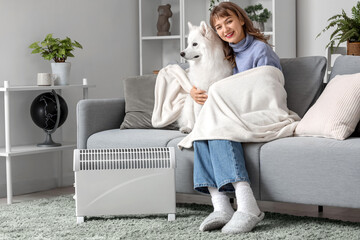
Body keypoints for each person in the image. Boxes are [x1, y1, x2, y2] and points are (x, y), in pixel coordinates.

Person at [189, 2, 282, 234]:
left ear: (241, 19)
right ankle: (221, 207)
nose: (225, 30)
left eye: (228, 21)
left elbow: (267, 89)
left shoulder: (260, 50)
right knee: (203, 127)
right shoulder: (226, 53)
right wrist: (192, 90)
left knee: (217, 123)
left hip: (264, 111)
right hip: (236, 112)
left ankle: (248, 206)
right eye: (218, 27)